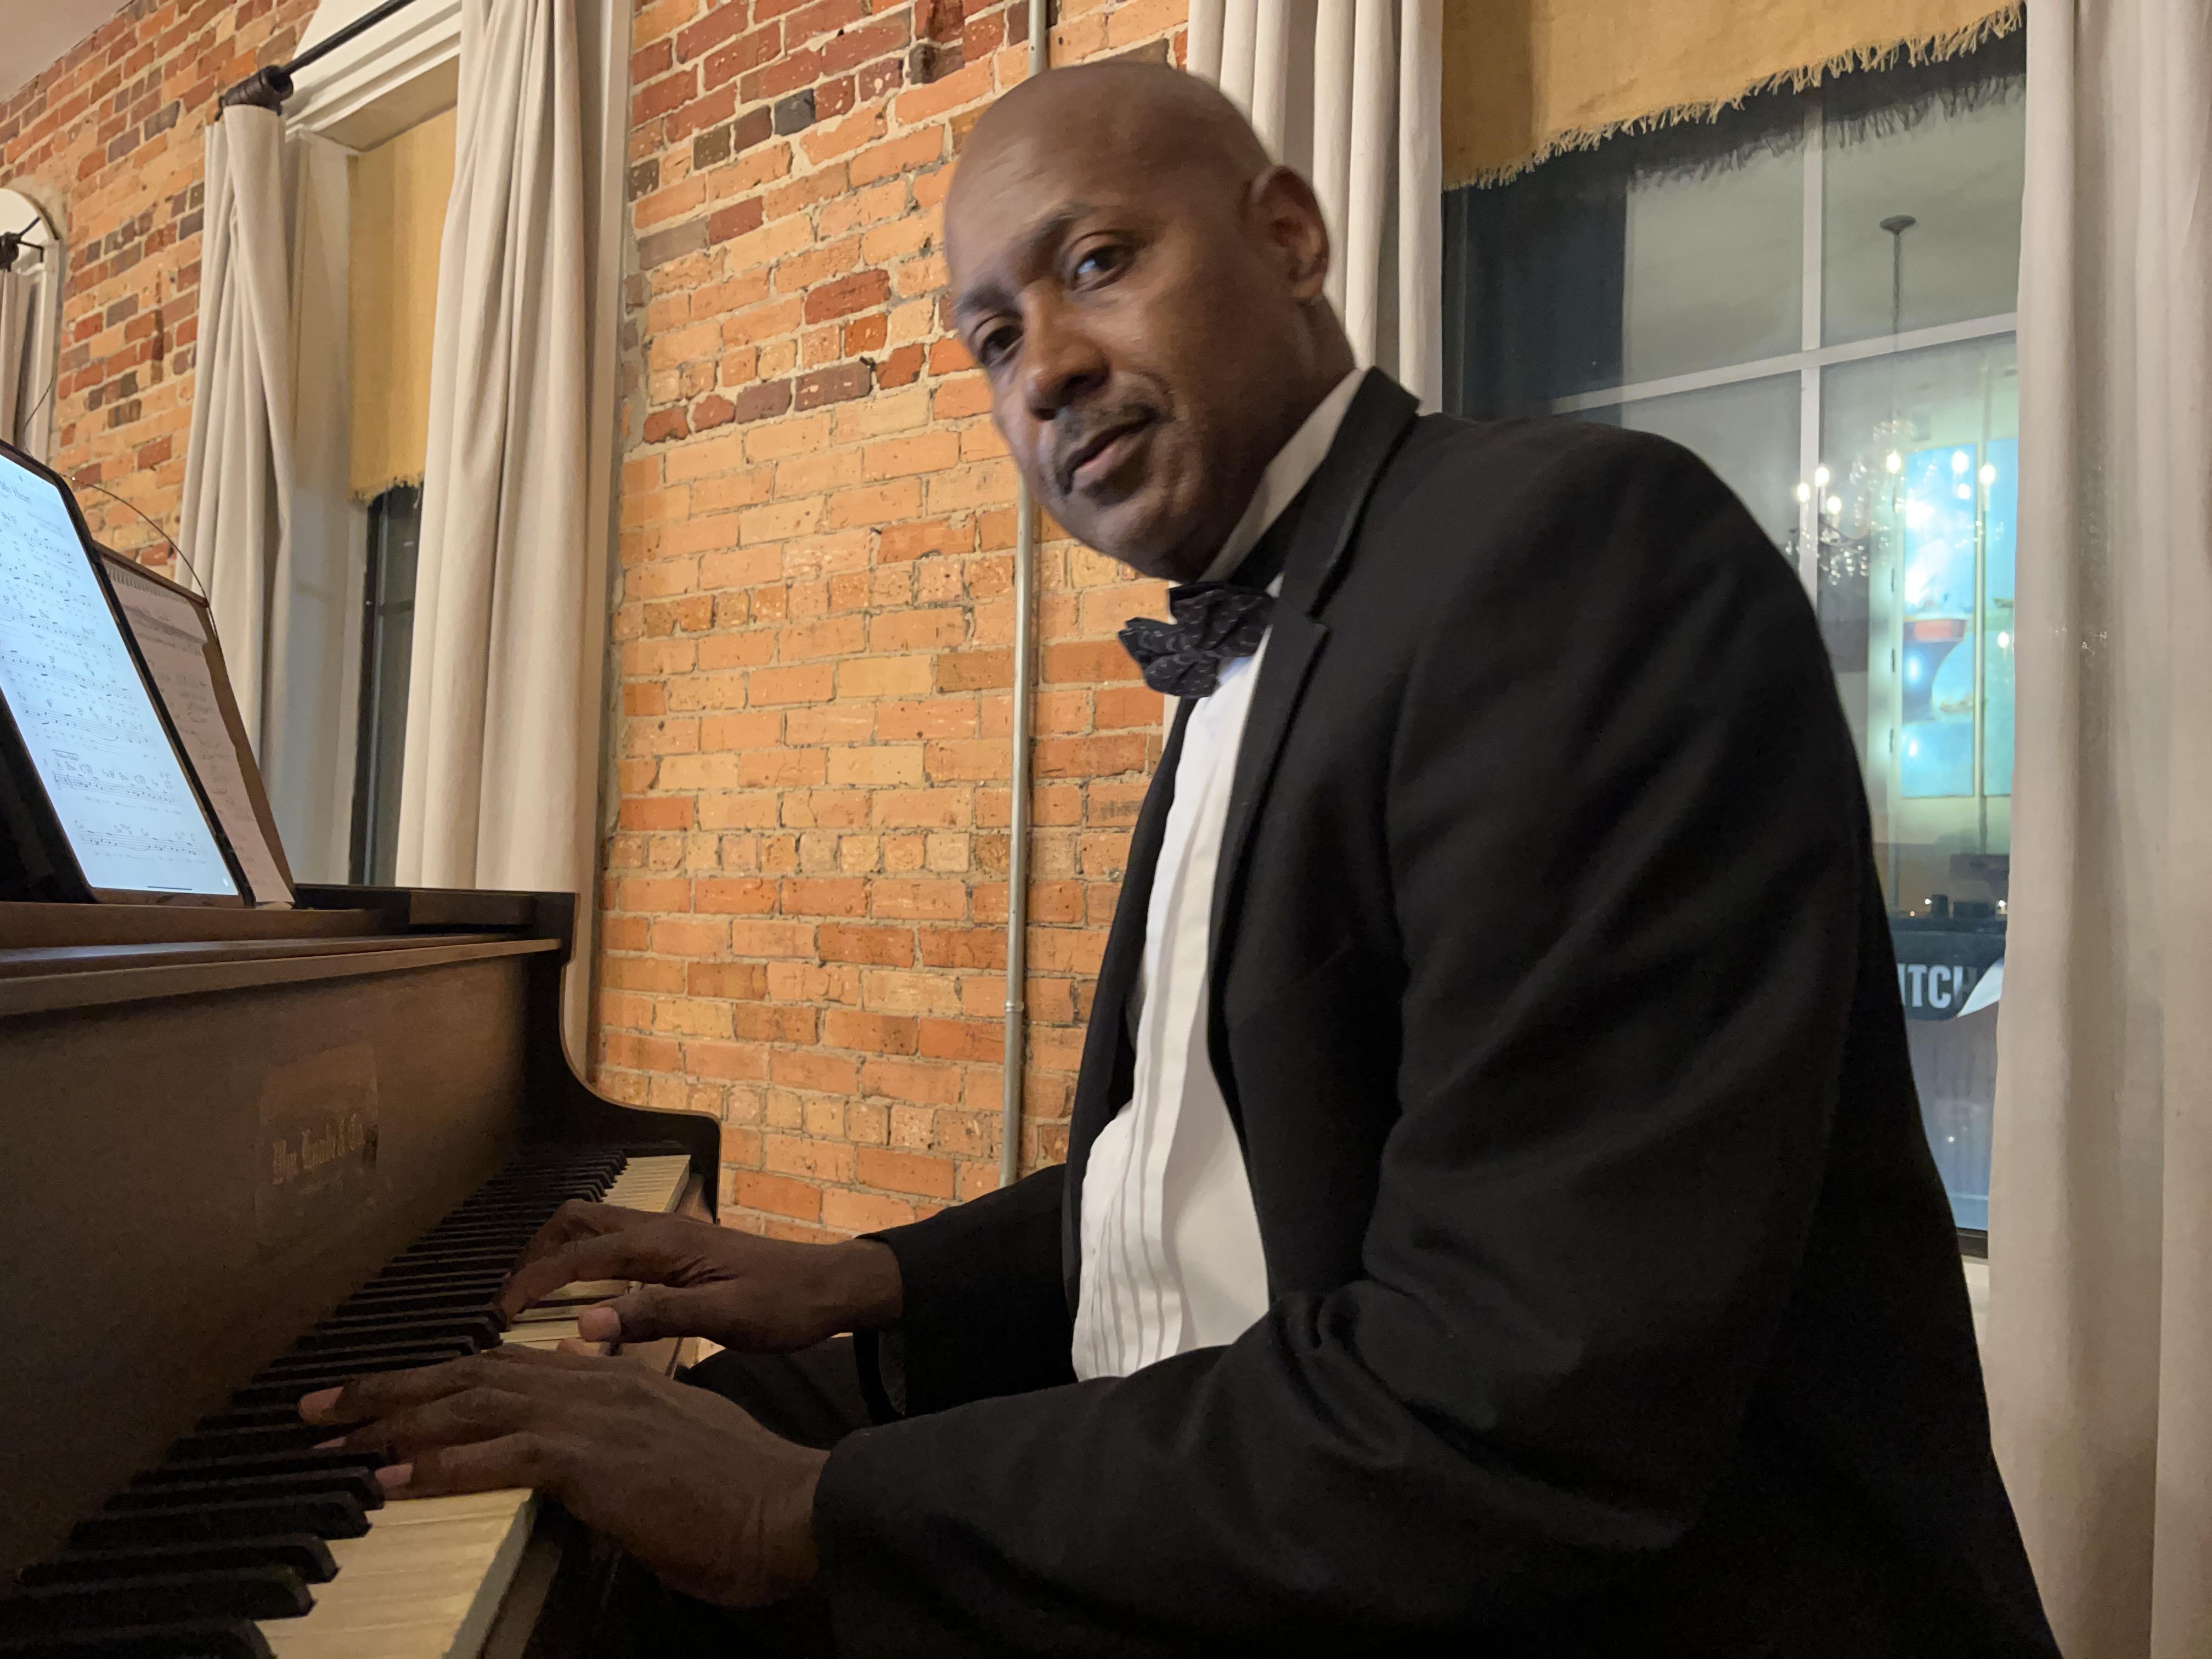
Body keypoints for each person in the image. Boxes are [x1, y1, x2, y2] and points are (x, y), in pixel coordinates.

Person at [302, 61, 2059, 1656]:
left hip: (1558, 1577)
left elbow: (1519, 1403)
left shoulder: (1569, 556)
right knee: (577, 1484)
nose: (1047, 368)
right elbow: (1222, 1176)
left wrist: (797, 1513)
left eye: (1096, 264)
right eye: (993, 339)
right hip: (1276, 1449)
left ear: (1288, 236)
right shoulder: (1277, 625)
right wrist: (873, 1278)